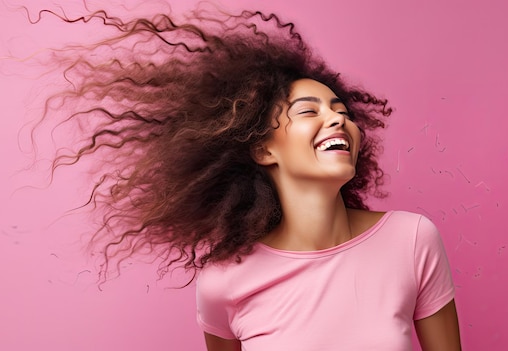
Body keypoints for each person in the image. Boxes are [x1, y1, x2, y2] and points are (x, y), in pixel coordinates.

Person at [38, 5, 461, 350]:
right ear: (263, 148)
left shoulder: (412, 239)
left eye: (342, 112)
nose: (337, 119)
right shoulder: (224, 280)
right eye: (309, 112)